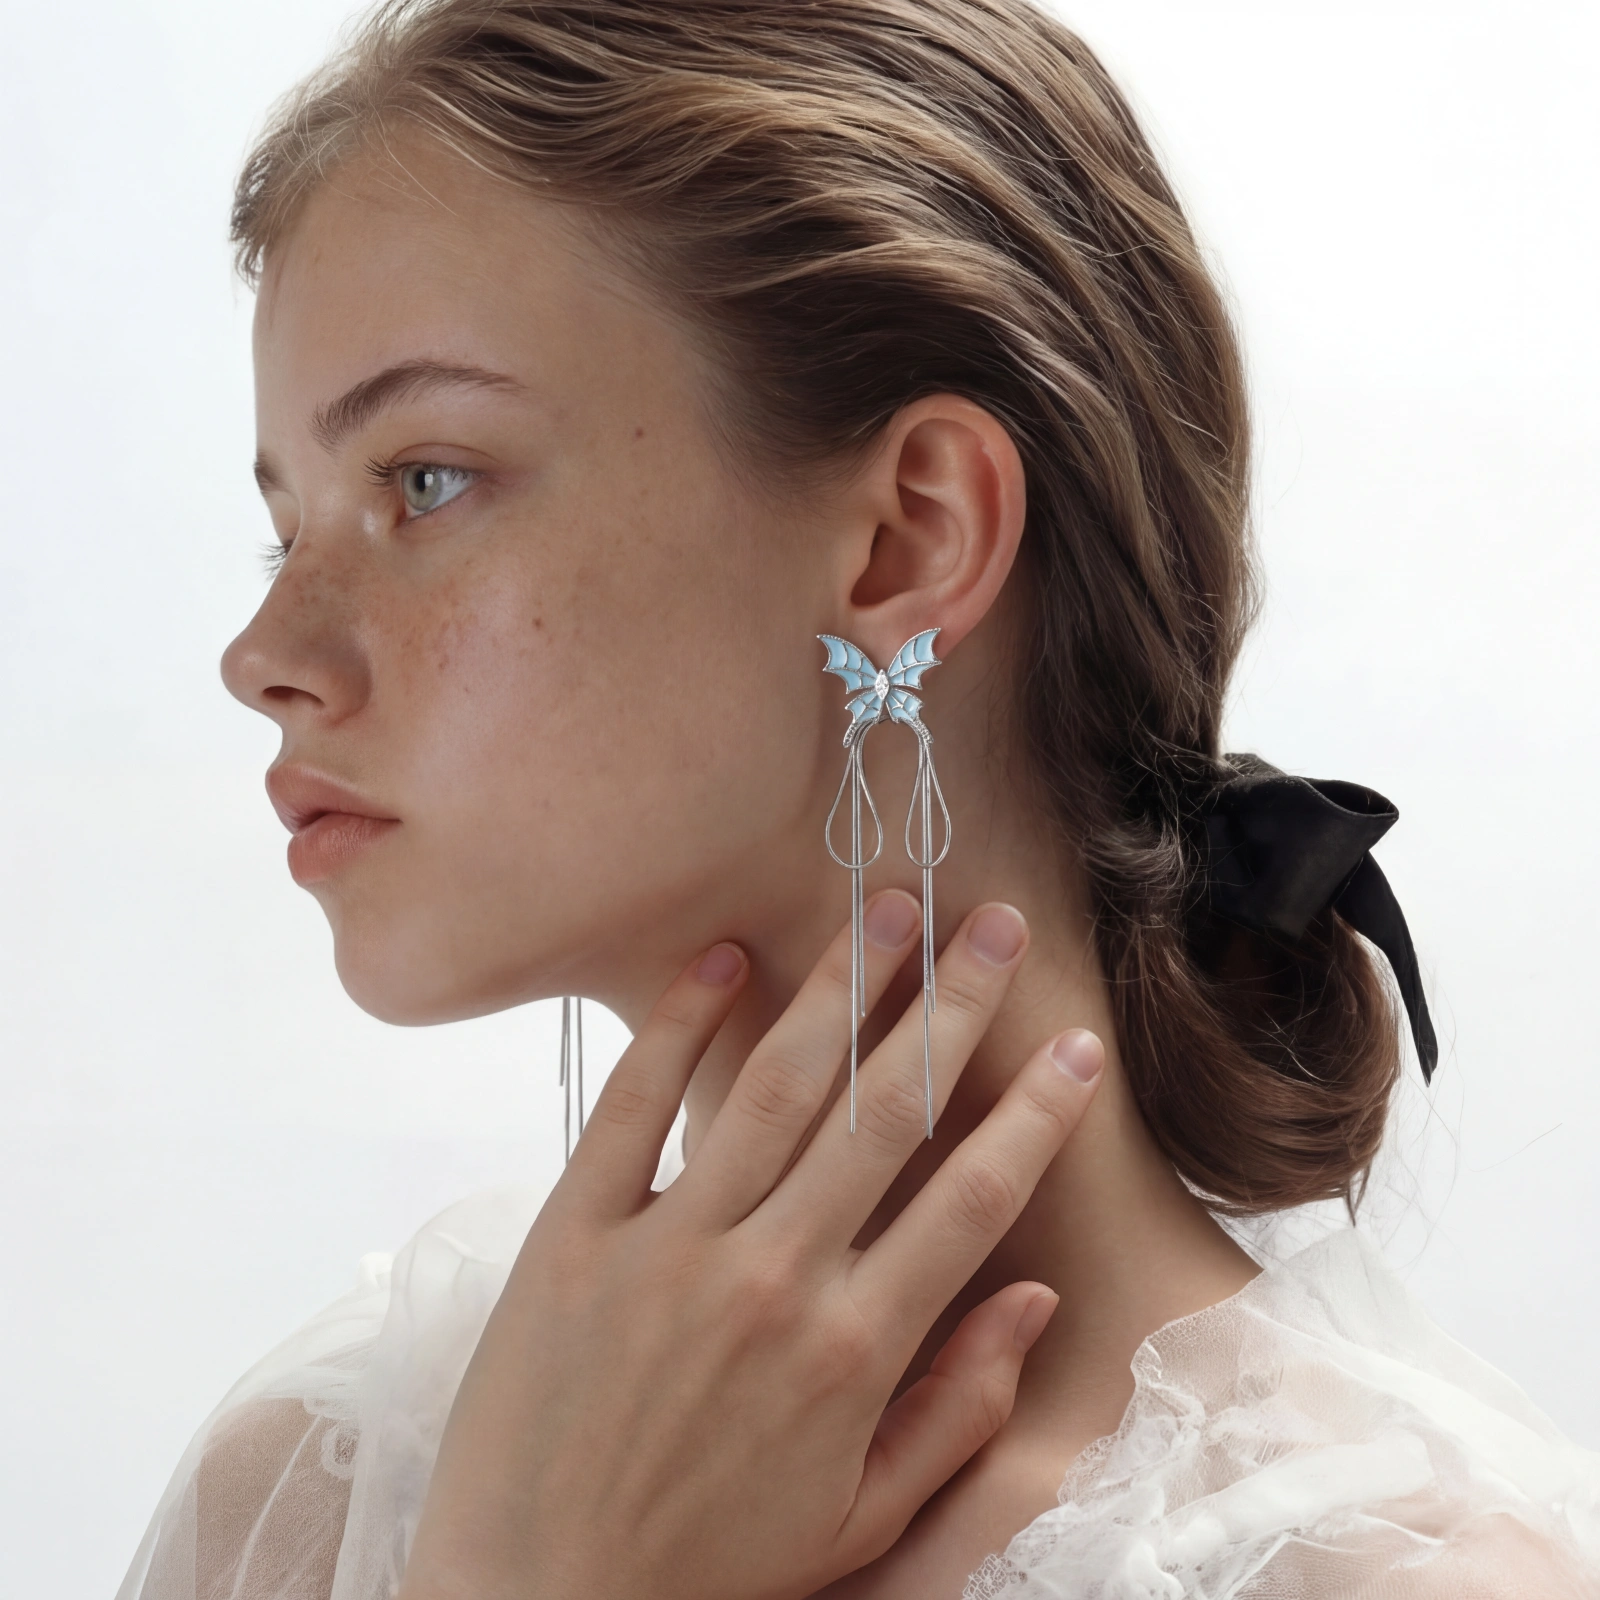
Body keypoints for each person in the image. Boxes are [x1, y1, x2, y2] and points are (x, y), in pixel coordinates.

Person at [117, 1, 1600, 1596]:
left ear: (910, 538)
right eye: (288, 530)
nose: (263, 653)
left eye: (425, 480)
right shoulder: (318, 1487)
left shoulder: (1394, 1575)